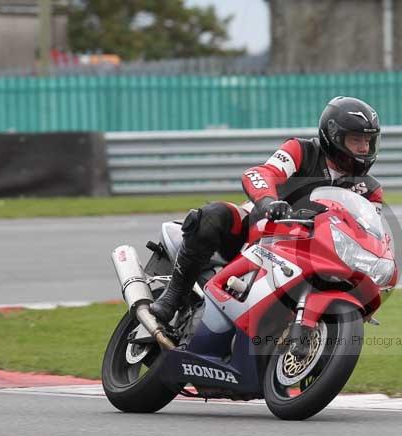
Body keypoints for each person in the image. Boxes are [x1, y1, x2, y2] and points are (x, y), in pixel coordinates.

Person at [150, 96, 385, 323]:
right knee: (213, 215)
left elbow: (372, 238)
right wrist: (267, 202)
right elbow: (260, 173)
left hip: (313, 254)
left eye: (368, 141)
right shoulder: (301, 151)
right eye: (357, 140)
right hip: (259, 231)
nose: (364, 148)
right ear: (334, 135)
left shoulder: (370, 190)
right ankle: (173, 296)